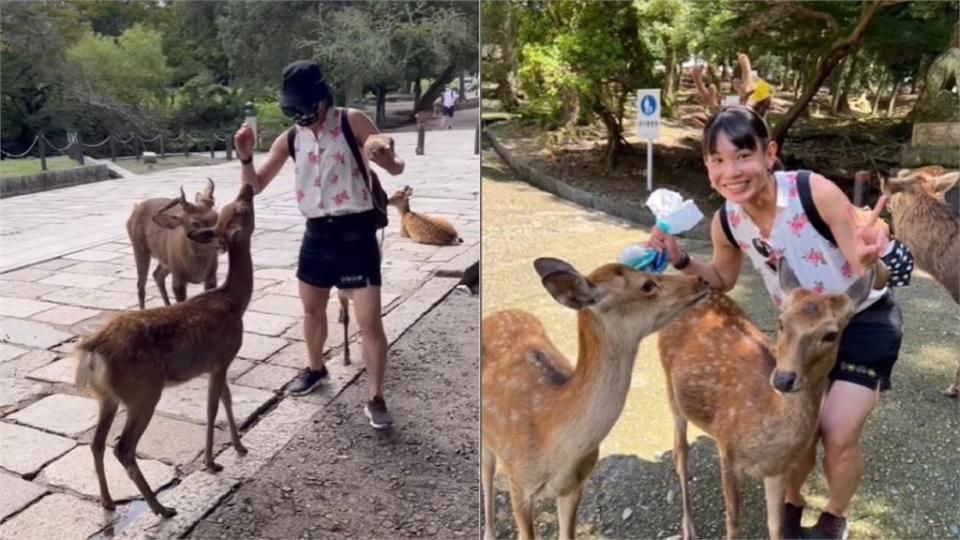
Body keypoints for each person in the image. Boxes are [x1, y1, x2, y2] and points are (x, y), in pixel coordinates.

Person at [648, 106, 902, 540]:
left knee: (835, 432)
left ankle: (834, 518)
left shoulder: (813, 192)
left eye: (743, 156)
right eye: (718, 160)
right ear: (708, 166)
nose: (732, 171)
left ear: (769, 154)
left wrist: (874, 255)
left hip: (861, 323)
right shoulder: (726, 219)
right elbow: (722, 281)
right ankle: (792, 500)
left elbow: (869, 271)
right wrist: (681, 259)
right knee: (791, 424)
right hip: (799, 331)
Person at [233, 60, 404, 429]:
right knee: (312, 311)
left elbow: (393, 165)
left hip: (355, 233)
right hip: (316, 233)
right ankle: (316, 368)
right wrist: (245, 155)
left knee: (368, 322)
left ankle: (375, 396)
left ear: (322, 100)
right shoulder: (291, 137)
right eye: (293, 110)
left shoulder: (350, 121)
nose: (301, 116)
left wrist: (381, 151)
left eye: (305, 109)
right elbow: (255, 186)